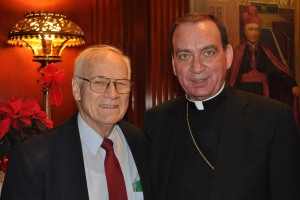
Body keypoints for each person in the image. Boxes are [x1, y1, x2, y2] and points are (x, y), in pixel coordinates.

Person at [144, 13, 300, 200]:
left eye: (208, 53)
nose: (197, 67)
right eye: (184, 55)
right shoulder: (158, 120)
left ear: (228, 56)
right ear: (174, 64)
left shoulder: (273, 119)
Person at [1, 45, 151, 200]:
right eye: (99, 82)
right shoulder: (33, 158)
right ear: (76, 89)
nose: (113, 94)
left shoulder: (139, 142)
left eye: (121, 83)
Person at [228, 6, 300, 124]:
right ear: (245, 32)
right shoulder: (238, 52)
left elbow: (279, 70)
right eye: (250, 29)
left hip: (263, 94)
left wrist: (293, 86)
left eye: (257, 30)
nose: (254, 33)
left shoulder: (267, 52)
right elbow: (233, 78)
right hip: (243, 94)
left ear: (260, 32)